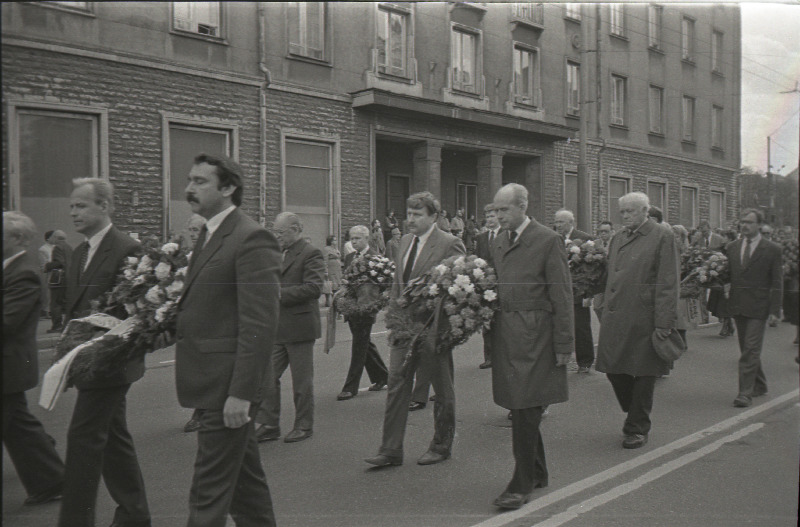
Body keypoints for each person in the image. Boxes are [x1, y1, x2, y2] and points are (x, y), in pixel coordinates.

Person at [175, 153, 280, 526]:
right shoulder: (208, 232)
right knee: (246, 490)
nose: (189, 188)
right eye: (189, 179)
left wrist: (241, 393)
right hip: (212, 381)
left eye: (200, 181)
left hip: (226, 388)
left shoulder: (251, 237)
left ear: (229, 187)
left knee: (208, 495)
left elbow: (259, 323)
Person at [58, 178, 150, 527]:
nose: (73, 212)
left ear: (105, 206)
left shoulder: (127, 248)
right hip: (85, 362)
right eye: (71, 206)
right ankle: (135, 516)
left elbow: (135, 314)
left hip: (111, 364)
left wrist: (103, 351)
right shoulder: (78, 252)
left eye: (81, 205)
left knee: (82, 439)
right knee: (113, 439)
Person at [364, 191, 465, 467]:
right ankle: (390, 450)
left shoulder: (450, 243)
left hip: (434, 328)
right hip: (403, 327)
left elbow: (458, 289)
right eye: (408, 214)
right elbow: (399, 281)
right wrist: (394, 316)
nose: (410, 219)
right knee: (397, 385)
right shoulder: (405, 241)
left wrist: (442, 323)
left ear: (433, 216)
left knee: (442, 389)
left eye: (417, 215)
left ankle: (441, 445)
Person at [489, 184, 574, 510]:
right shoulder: (500, 240)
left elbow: (562, 296)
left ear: (522, 206)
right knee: (522, 405)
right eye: (495, 210)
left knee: (524, 408)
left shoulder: (547, 240)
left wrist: (564, 342)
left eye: (503, 210)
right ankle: (537, 472)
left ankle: (520, 484)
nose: (497, 216)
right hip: (507, 334)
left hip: (537, 336)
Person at [596, 192, 679, 450]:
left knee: (644, 373)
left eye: (631, 211)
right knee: (613, 369)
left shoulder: (663, 236)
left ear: (645, 211)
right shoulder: (619, 237)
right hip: (616, 315)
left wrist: (664, 321)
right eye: (622, 212)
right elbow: (612, 274)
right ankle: (634, 411)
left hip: (646, 317)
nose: (625, 216)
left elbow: (668, 281)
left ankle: (637, 427)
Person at [3, 211, 65, 507]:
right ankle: (51, 480)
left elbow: (7, 322)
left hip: (8, 364)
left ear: (16, 238)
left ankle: (51, 480)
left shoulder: (24, 271)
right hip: (9, 367)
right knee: (19, 426)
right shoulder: (11, 267)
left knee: (17, 424)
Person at [255, 212, 325, 443]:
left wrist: (278, 294)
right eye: (275, 232)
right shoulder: (276, 253)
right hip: (276, 327)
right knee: (267, 377)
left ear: (295, 229)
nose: (277, 236)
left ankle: (304, 425)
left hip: (299, 327)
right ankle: (269, 424)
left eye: (281, 232)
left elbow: (314, 288)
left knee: (301, 382)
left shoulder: (310, 253)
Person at [727, 209, 783, 408]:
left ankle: (745, 393)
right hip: (738, 305)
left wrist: (775, 310)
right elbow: (729, 275)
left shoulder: (772, 249)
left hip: (759, 307)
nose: (744, 225)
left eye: (749, 222)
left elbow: (777, 281)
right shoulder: (732, 247)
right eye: (742, 222)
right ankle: (759, 384)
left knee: (750, 349)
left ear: (759, 225)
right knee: (746, 348)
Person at [337, 225, 389, 401]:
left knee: (359, 345)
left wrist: (376, 302)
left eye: (358, 238)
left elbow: (383, 281)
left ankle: (350, 387)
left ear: (367, 239)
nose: (354, 241)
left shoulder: (375, 258)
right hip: (351, 305)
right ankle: (382, 376)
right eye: (352, 238)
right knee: (364, 343)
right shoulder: (351, 256)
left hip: (366, 307)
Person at [554, 209, 595, 373]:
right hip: (558, 290)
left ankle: (585, 362)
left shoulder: (585, 239)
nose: (557, 225)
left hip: (578, 292)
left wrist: (588, 294)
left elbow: (592, 271)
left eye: (561, 222)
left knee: (580, 327)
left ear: (571, 223)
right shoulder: (552, 238)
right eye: (556, 222)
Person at [180, 214, 208, 434]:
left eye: (196, 230)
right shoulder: (187, 257)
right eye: (190, 229)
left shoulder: (212, 255)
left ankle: (201, 412)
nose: (192, 233)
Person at [474, 204, 501, 369]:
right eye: (488, 217)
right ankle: (489, 356)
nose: (490, 219)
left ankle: (502, 355)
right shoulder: (481, 238)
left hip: (501, 282)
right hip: (485, 284)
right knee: (487, 319)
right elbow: (477, 260)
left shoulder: (505, 235)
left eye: (492, 216)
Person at [44, 230, 72, 332]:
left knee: (55, 304)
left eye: (52, 237)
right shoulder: (68, 247)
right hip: (68, 279)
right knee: (65, 303)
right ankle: (66, 325)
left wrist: (47, 266)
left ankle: (57, 326)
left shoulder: (57, 247)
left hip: (59, 279)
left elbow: (59, 263)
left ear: (56, 238)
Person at [672, 225, 694, 347]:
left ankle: (682, 339)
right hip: (676, 281)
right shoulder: (673, 247)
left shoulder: (683, 249)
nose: (674, 237)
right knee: (677, 312)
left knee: (680, 312)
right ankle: (680, 339)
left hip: (681, 282)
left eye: (676, 234)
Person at [593, 221, 615, 320]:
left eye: (606, 231)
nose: (603, 234)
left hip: (612, 279)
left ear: (612, 232)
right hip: (599, 280)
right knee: (597, 306)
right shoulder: (595, 243)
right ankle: (605, 325)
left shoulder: (616, 243)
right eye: (601, 231)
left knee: (610, 307)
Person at [38, 230, 55, 317]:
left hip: (56, 272)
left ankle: (53, 310)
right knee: (48, 292)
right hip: (48, 273)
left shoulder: (56, 247)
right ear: (48, 238)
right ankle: (46, 310)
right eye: (53, 236)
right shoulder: (43, 249)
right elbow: (44, 264)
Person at [323, 235, 343, 307]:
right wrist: (325, 270)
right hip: (331, 269)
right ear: (331, 241)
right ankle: (329, 301)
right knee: (331, 284)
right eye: (334, 240)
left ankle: (336, 301)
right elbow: (325, 260)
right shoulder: (327, 249)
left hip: (337, 269)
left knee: (337, 284)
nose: (336, 241)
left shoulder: (335, 249)